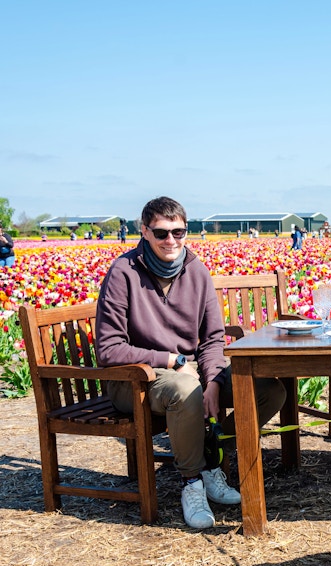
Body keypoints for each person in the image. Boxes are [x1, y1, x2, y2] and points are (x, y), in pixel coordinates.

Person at [95, 196, 286, 529]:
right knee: (186, 389)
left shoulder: (196, 271)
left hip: (191, 373)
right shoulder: (123, 272)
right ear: (144, 231)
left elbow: (213, 338)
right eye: (161, 233)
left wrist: (213, 380)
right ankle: (192, 482)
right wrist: (170, 359)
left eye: (179, 232)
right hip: (134, 378)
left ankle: (209, 459)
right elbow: (109, 349)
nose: (171, 240)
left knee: (269, 390)